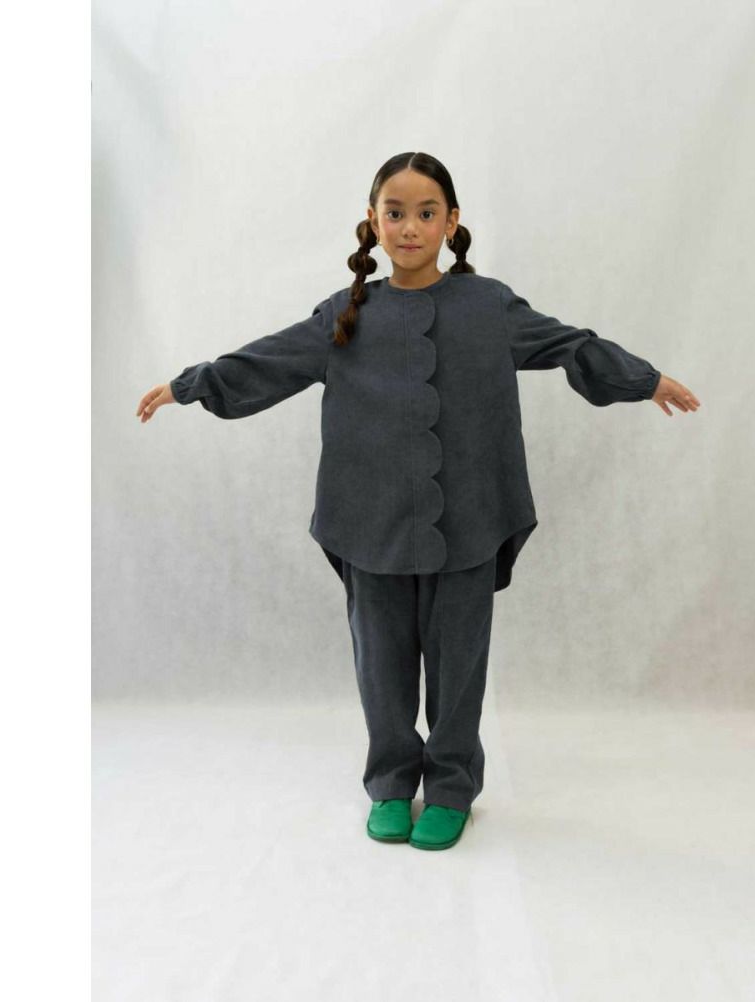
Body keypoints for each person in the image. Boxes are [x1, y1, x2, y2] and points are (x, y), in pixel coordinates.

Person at [136, 152, 701, 851]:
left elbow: (568, 343)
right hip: (368, 523)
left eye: (426, 213)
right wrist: (190, 385)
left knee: (460, 667)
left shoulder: (489, 307)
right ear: (372, 222)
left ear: (451, 222)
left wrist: (644, 380)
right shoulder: (345, 314)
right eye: (395, 213)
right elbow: (269, 361)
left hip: (470, 521)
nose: (409, 227)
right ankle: (392, 783)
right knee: (382, 665)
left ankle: (453, 787)